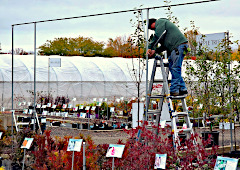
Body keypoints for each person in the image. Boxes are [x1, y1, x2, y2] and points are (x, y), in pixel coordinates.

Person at [147, 18, 188, 96]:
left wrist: (150, 47)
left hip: (178, 47)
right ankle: (182, 88)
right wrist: (155, 51)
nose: (152, 29)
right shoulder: (165, 33)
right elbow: (164, 46)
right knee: (173, 67)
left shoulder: (160, 22)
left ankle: (174, 90)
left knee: (175, 68)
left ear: (153, 22)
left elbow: (156, 36)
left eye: (151, 27)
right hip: (176, 47)